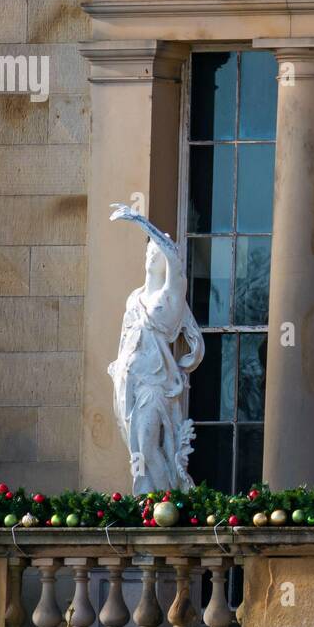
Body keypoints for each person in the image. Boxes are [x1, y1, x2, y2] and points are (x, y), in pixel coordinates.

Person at [107, 204, 206, 492]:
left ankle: (167, 503)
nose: (152, 253)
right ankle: (145, 503)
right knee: (137, 452)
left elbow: (175, 260)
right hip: (129, 382)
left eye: (157, 251)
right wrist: (118, 370)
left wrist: (140, 221)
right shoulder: (134, 298)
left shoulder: (171, 294)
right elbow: (126, 339)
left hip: (155, 384)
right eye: (149, 250)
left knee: (149, 447)